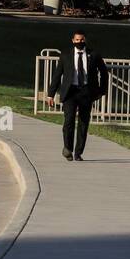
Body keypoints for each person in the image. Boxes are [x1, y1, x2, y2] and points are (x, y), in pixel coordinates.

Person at [46, 30, 109, 161]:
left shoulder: (94, 55)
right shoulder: (66, 55)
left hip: (86, 92)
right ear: (72, 41)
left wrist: (102, 90)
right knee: (68, 121)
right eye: (77, 40)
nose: (79, 42)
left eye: (82, 40)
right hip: (70, 92)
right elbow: (58, 75)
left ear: (85, 40)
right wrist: (50, 94)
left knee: (83, 123)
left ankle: (78, 152)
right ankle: (67, 148)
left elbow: (104, 72)